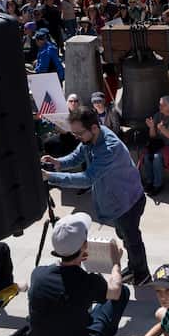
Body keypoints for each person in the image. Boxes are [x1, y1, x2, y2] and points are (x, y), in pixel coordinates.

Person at [42, 106, 150, 285]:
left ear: (93, 128)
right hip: (115, 201)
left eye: (79, 133)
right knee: (124, 236)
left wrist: (52, 177)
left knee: (132, 239)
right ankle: (133, 268)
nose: (76, 137)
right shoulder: (90, 138)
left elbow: (87, 179)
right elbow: (78, 155)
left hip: (127, 201)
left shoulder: (108, 148)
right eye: (74, 133)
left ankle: (142, 274)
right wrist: (58, 163)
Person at [22, 213, 130, 336]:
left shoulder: (38, 275)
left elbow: (63, 281)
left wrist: (77, 258)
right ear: (85, 245)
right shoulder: (87, 282)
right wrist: (116, 262)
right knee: (122, 293)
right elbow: (115, 290)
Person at [144, 95, 169, 194]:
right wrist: (151, 127)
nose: (159, 107)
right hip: (157, 145)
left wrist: (163, 129)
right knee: (146, 157)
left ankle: (158, 185)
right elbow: (153, 136)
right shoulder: (157, 115)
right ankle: (150, 182)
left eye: (162, 105)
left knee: (157, 157)